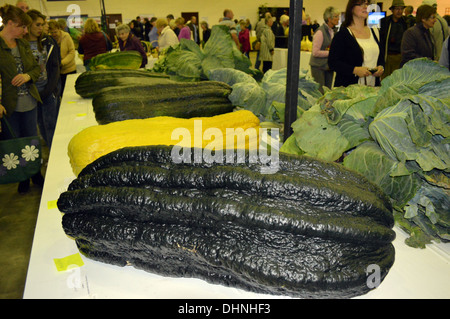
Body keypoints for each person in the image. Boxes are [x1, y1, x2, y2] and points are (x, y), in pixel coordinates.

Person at [0, 4, 44, 193]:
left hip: (29, 102)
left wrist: (27, 76)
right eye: (22, 27)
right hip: (8, 106)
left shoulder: (23, 44)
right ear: (10, 23)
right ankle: (23, 177)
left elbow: (35, 69)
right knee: (15, 142)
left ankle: (35, 173)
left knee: (31, 141)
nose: (25, 31)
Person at [25, 9, 60, 149]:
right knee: (39, 124)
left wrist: (50, 90)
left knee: (51, 124)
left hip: (48, 89)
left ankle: (55, 151)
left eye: (42, 24)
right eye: (37, 25)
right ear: (28, 25)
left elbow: (56, 66)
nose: (41, 28)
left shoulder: (48, 41)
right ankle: (49, 149)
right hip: (31, 91)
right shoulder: (21, 44)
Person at [328, 0, 384, 87]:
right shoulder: (343, 34)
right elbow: (333, 62)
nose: (365, 6)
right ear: (351, 8)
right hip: (348, 89)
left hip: (372, 88)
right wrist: (354, 70)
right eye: (361, 4)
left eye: (366, 4)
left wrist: (381, 67)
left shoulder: (375, 32)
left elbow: (380, 57)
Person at [309, 6, 340, 93]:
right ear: (329, 19)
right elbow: (315, 52)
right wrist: (331, 53)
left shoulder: (333, 31)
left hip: (328, 66)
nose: (338, 19)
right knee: (320, 92)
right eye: (336, 16)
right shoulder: (320, 32)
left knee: (328, 92)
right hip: (318, 66)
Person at [380, 0, 409, 79]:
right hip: (387, 57)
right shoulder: (384, 22)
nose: (399, 11)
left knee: (397, 80)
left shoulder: (405, 23)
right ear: (392, 10)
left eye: (401, 9)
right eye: (397, 9)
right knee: (385, 80)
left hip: (399, 57)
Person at [48, 20, 75, 98]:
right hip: (56, 72)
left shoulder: (66, 36)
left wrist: (62, 63)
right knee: (60, 93)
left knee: (70, 94)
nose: (54, 34)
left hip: (69, 70)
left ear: (59, 29)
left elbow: (72, 52)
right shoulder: (49, 39)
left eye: (55, 32)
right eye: (51, 32)